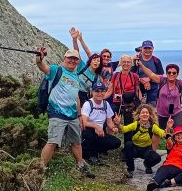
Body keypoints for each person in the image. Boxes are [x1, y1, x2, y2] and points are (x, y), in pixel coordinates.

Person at [35, 46, 95, 178]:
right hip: (57, 113)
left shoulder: (76, 76)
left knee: (76, 142)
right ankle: (40, 170)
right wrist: (39, 59)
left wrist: (79, 115)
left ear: (78, 61)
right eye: (70, 58)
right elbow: (42, 67)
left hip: (73, 115)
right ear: (65, 58)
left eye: (75, 59)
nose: (72, 61)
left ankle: (80, 165)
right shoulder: (56, 70)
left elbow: (76, 97)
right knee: (53, 142)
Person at [120, 104, 172, 177]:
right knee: (128, 144)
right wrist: (118, 124)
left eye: (147, 113)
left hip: (146, 150)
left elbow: (163, 133)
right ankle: (130, 169)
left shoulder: (153, 126)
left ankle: (147, 165)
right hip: (135, 148)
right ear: (139, 115)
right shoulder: (135, 124)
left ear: (149, 115)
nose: (145, 114)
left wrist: (168, 128)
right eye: (143, 112)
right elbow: (124, 129)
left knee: (157, 158)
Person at [146, 126, 182, 191]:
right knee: (162, 172)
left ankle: (169, 182)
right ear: (174, 138)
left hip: (180, 170)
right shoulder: (172, 145)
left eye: (181, 133)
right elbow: (168, 140)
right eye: (177, 134)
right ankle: (154, 183)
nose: (179, 135)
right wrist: (168, 129)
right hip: (167, 167)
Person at [80, 80, 121, 165]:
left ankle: (96, 150)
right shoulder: (88, 104)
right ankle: (88, 155)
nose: (100, 93)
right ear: (92, 92)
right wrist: (96, 127)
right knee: (87, 134)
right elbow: (84, 122)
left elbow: (109, 122)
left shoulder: (106, 104)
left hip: (100, 132)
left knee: (116, 142)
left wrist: (114, 127)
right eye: (97, 91)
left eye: (102, 91)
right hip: (89, 130)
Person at [111, 55, 143, 129]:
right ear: (121, 63)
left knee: (128, 126)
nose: (126, 64)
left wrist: (142, 103)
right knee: (113, 124)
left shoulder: (134, 76)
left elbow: (137, 91)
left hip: (129, 104)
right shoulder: (115, 75)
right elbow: (110, 90)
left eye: (128, 62)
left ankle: (128, 137)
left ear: (131, 64)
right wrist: (100, 98)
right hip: (117, 103)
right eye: (124, 62)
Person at [134, 40, 163, 106]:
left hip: (153, 90)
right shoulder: (136, 60)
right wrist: (142, 80)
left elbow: (160, 76)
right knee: (139, 108)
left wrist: (149, 79)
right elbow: (131, 75)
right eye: (145, 48)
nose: (147, 50)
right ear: (142, 49)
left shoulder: (156, 61)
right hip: (139, 89)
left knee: (152, 107)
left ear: (153, 49)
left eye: (149, 48)